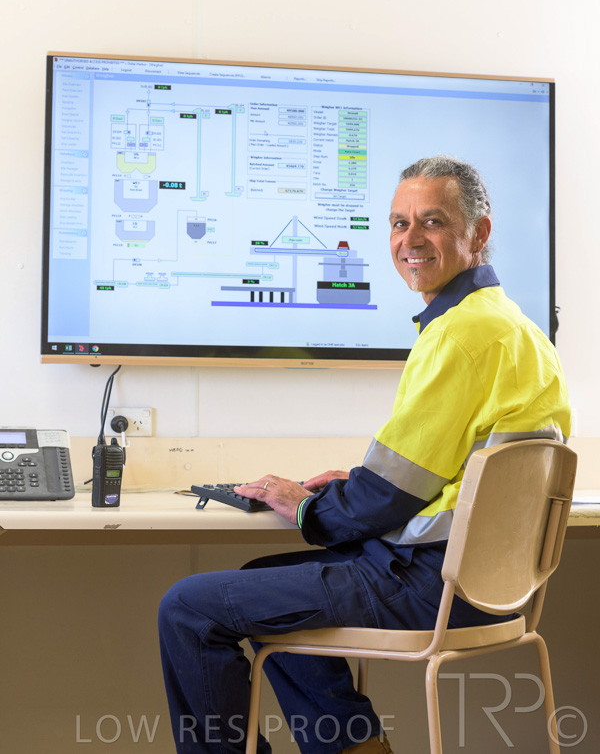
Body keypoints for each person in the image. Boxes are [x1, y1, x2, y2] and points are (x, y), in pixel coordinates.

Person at [159, 155, 571, 754]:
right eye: (400, 223)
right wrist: (356, 482)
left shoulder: (458, 334)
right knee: (264, 585)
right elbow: (451, 472)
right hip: (493, 590)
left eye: (432, 221)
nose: (411, 240)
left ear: (479, 233)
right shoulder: (518, 329)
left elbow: (384, 499)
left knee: (187, 609)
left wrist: (306, 505)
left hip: (429, 585)